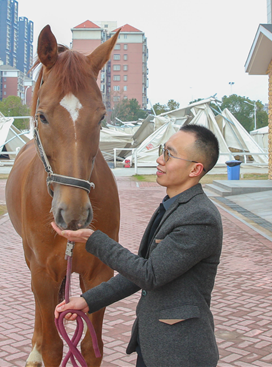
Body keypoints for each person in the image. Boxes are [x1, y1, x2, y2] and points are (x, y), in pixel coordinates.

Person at [52, 124, 223, 367]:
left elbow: (149, 274)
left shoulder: (199, 217)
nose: (159, 160)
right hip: (155, 346)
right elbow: (142, 271)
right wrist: (88, 300)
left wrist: (94, 240)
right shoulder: (173, 206)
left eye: (169, 155)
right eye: (163, 151)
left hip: (180, 352)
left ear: (195, 169)